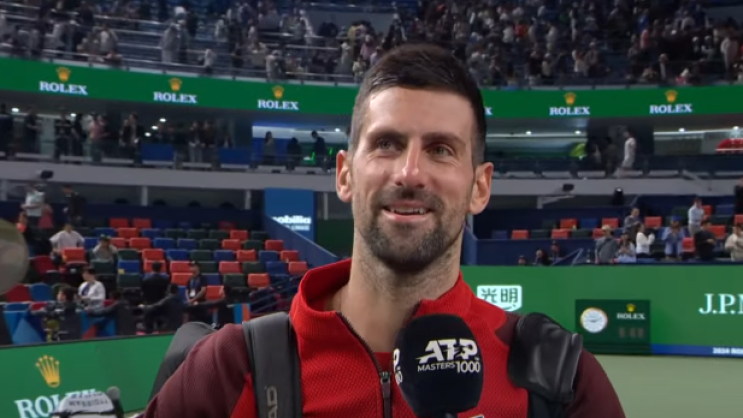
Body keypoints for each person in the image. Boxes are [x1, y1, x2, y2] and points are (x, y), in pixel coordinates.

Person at [144, 44, 624, 418]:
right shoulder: (230, 368)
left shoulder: (560, 379)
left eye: (441, 150)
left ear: (480, 187)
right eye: (387, 144)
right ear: (345, 174)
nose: (410, 173)